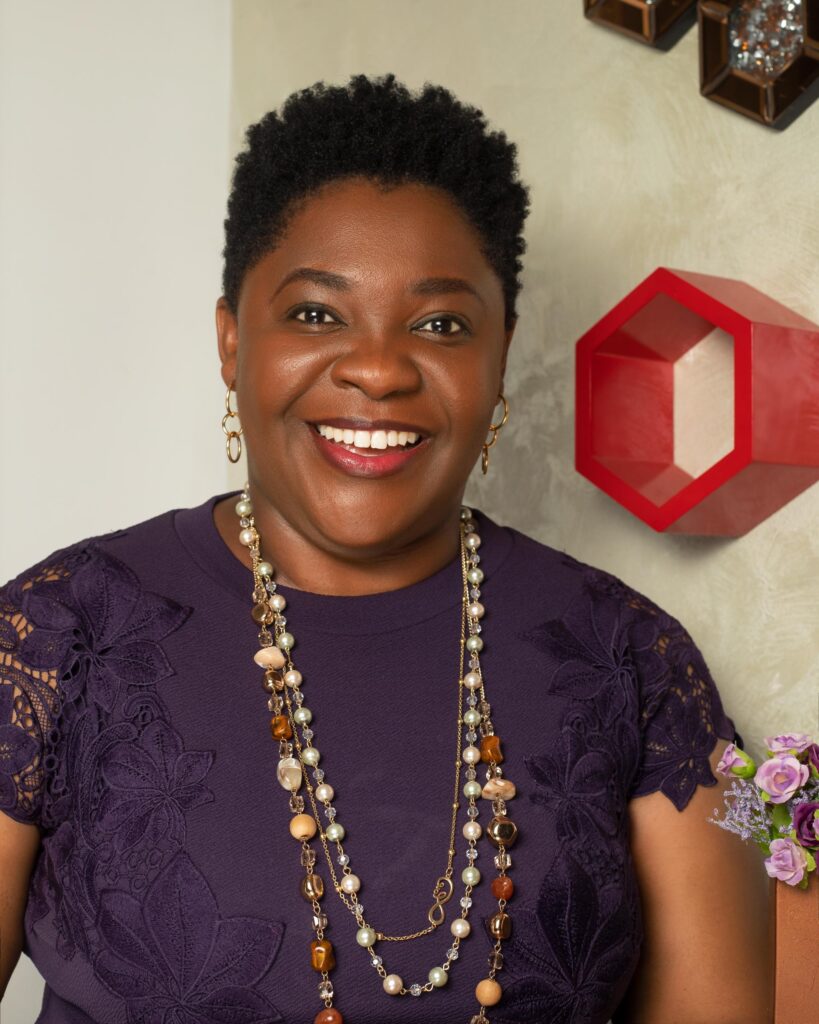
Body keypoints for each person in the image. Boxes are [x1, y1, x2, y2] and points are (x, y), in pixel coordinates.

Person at [0, 74, 771, 1024]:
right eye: (316, 314)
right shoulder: (53, 636)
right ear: (231, 343)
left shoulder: (632, 659)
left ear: (499, 356)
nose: (376, 369)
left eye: (440, 324)